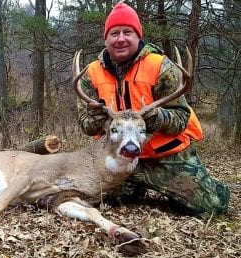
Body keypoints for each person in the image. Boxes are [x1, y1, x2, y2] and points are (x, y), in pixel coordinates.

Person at [77, 2, 230, 216]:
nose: (121, 38)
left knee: (213, 207)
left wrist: (158, 117)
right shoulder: (91, 73)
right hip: (120, 156)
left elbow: (181, 118)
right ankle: (134, 188)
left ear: (138, 35)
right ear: (106, 39)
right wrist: (96, 120)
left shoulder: (161, 66)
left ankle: (211, 186)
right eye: (114, 33)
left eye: (127, 32)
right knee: (92, 196)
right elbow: (85, 124)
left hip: (165, 157)